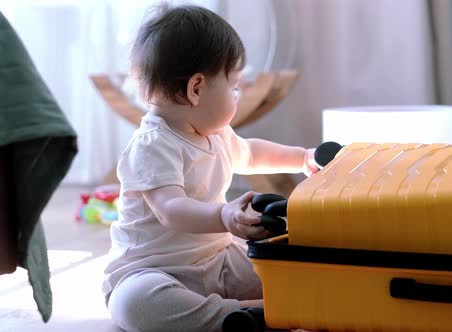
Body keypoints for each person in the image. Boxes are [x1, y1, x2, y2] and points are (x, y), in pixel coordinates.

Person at [102, 4, 318, 331]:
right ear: (197, 89)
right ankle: (233, 317)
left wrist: (302, 157)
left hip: (218, 260)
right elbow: (171, 209)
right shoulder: (152, 145)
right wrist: (223, 217)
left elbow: (251, 152)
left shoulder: (216, 135)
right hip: (154, 271)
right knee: (135, 304)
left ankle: (254, 309)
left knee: (282, 266)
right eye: (233, 87)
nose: (236, 95)